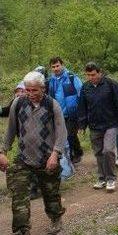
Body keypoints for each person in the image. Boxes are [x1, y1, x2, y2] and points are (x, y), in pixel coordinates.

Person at [1, 71, 67, 235]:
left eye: (34, 90)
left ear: (42, 88)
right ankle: (22, 229)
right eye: (28, 90)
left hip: (46, 158)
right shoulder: (18, 103)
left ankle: (55, 218)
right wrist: (2, 151)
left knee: (51, 194)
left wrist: (55, 154)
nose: (30, 94)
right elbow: (10, 130)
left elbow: (61, 132)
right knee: (19, 195)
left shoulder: (52, 105)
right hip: (23, 158)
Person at [77, 62, 118, 192]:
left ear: (100, 72)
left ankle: (111, 178)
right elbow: (82, 107)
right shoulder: (85, 87)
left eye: (93, 74)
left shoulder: (111, 85)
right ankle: (102, 178)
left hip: (111, 124)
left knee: (108, 150)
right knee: (98, 152)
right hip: (94, 125)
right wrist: (82, 125)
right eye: (88, 75)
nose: (91, 77)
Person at [48, 57, 85, 164]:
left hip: (72, 113)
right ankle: (70, 154)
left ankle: (76, 153)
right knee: (61, 135)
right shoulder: (51, 80)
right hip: (58, 113)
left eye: (57, 66)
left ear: (62, 65)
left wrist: (81, 111)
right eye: (53, 67)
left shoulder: (72, 77)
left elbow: (81, 94)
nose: (56, 68)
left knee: (70, 135)